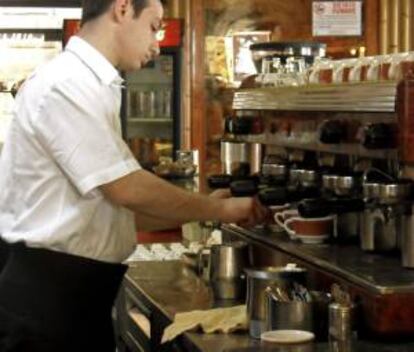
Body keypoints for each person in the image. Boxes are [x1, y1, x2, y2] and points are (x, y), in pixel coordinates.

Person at [0, 0, 267, 351]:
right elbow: (126, 189)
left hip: (75, 295)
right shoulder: (65, 84)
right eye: (154, 26)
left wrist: (204, 207)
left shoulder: (92, 85)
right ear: (123, 8)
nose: (157, 44)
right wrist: (223, 211)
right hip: (46, 302)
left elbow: (114, 206)